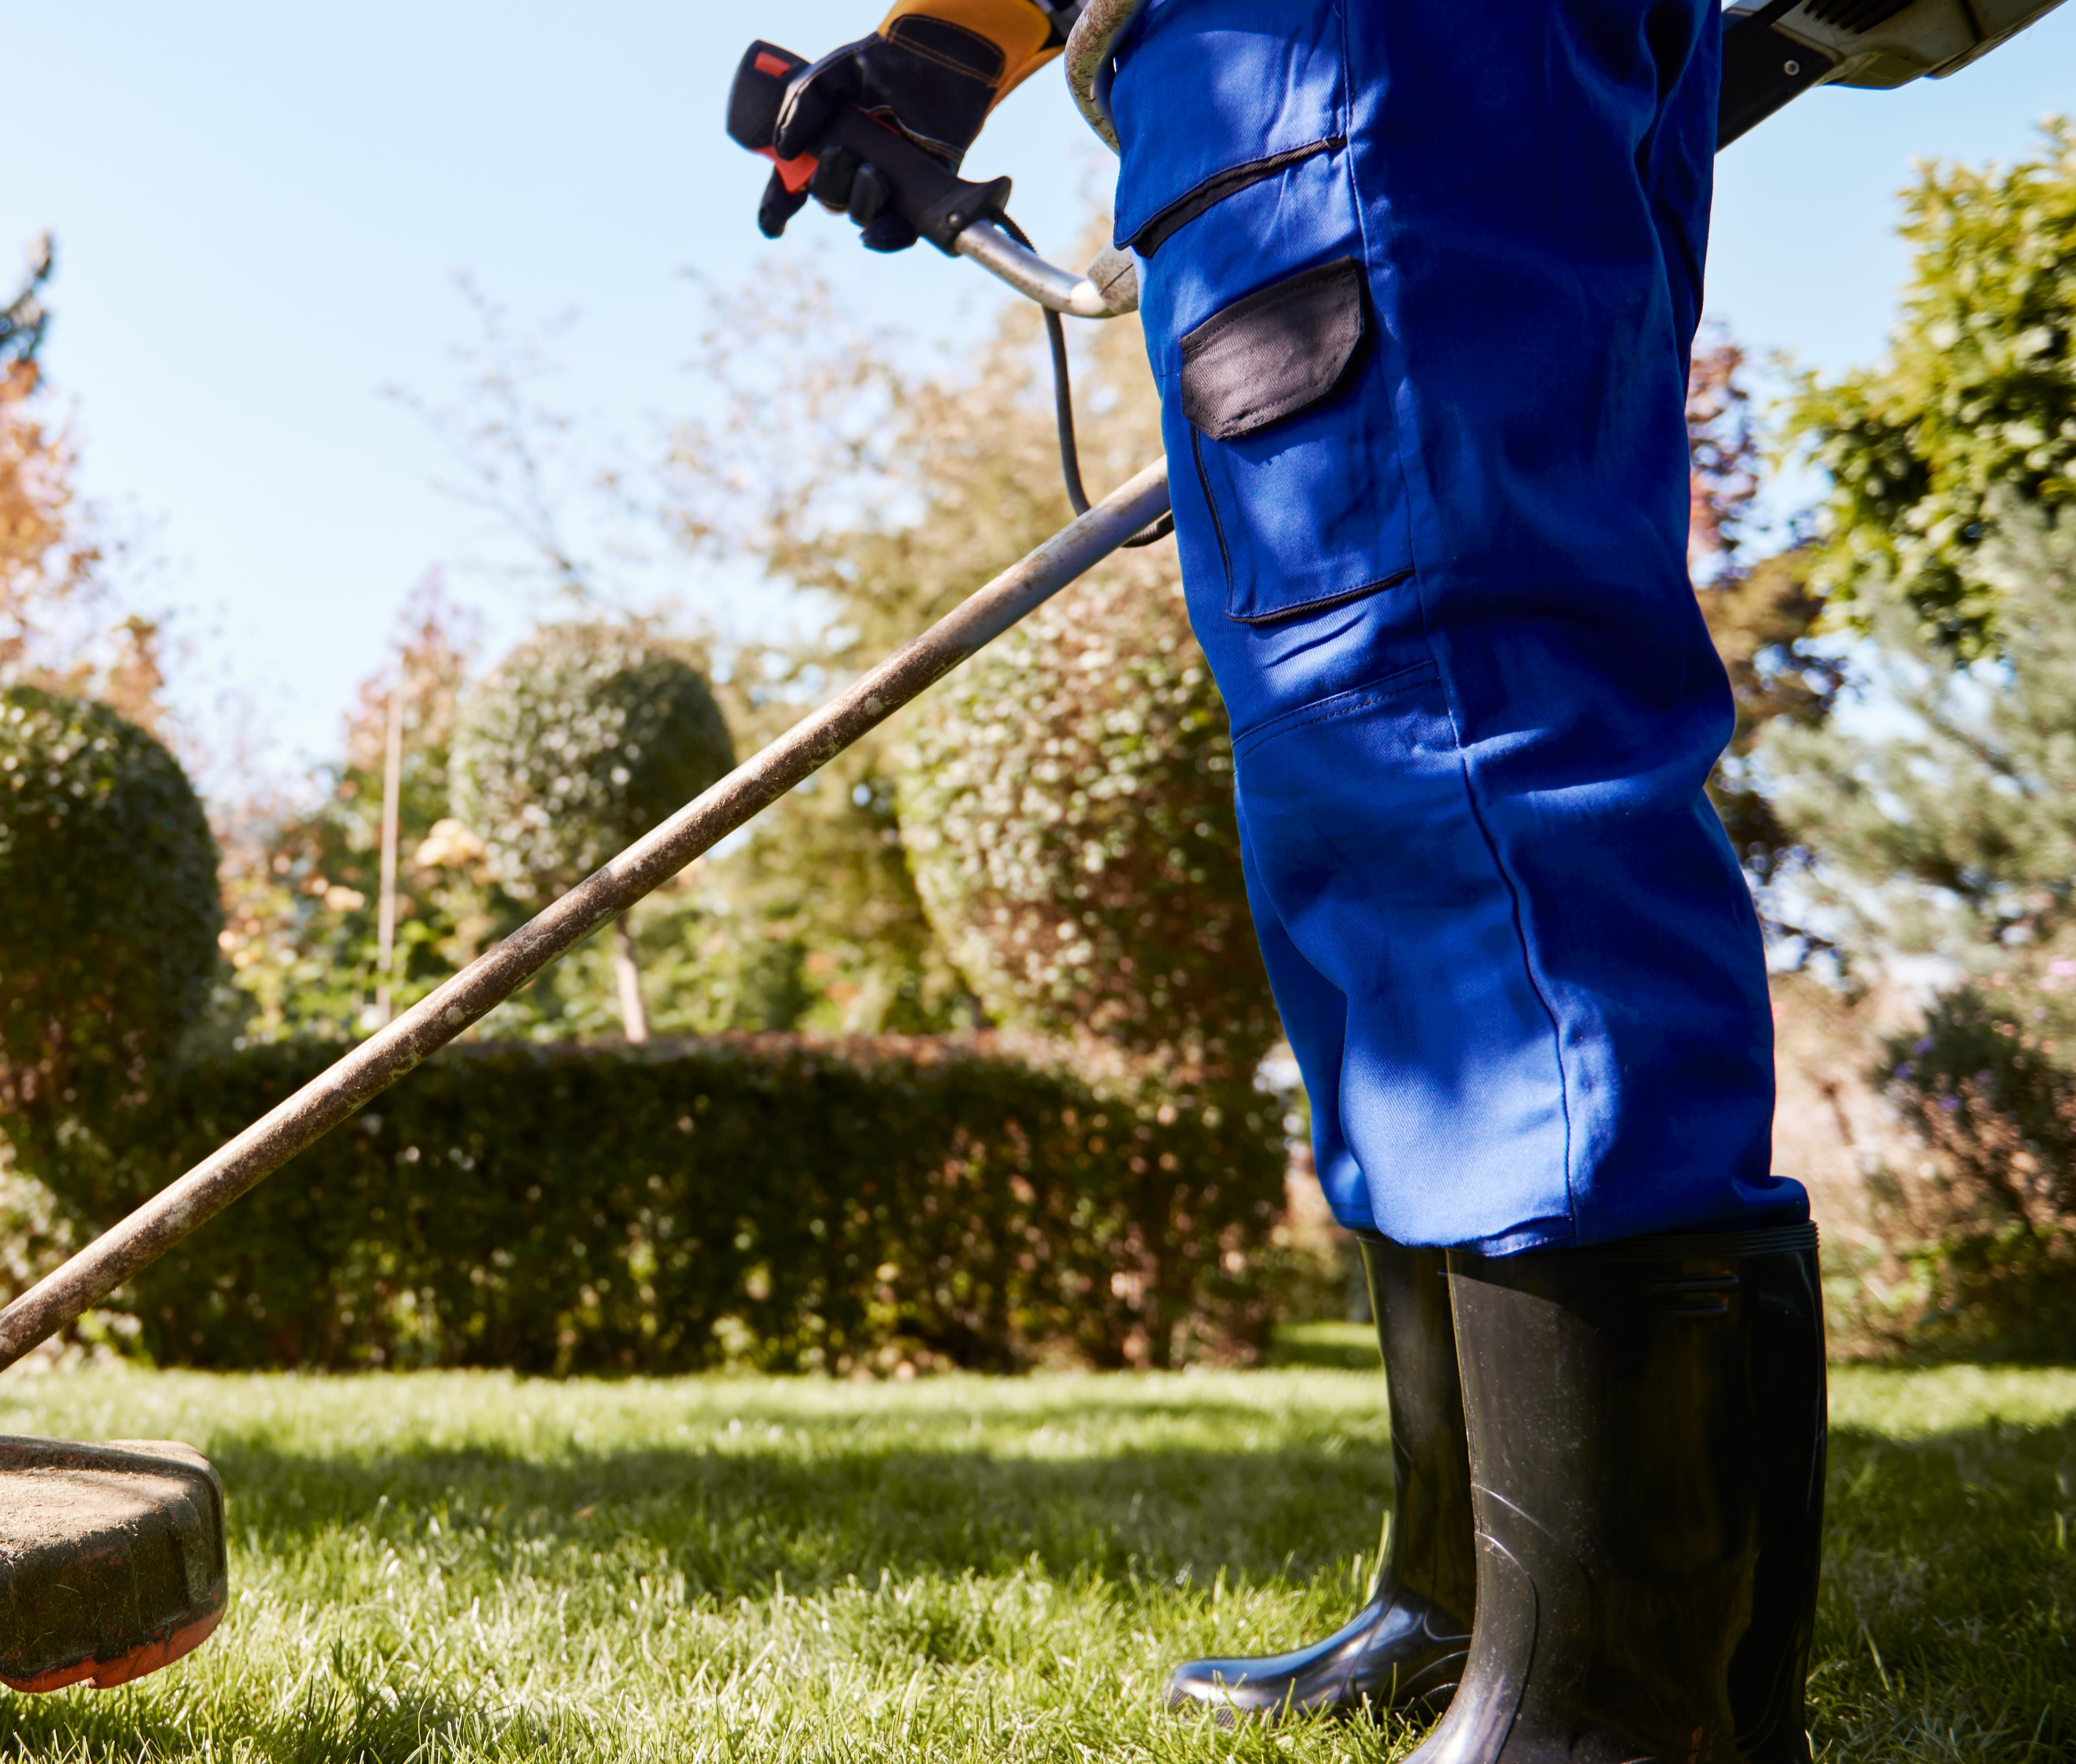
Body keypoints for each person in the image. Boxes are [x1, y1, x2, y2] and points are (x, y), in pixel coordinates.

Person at [753, 3, 1828, 1759]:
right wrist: (955, 39)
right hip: (1302, 76)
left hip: (1344, 51)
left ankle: (1621, 1706)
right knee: (1360, 817)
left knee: (1445, 730)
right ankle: (1477, 1607)